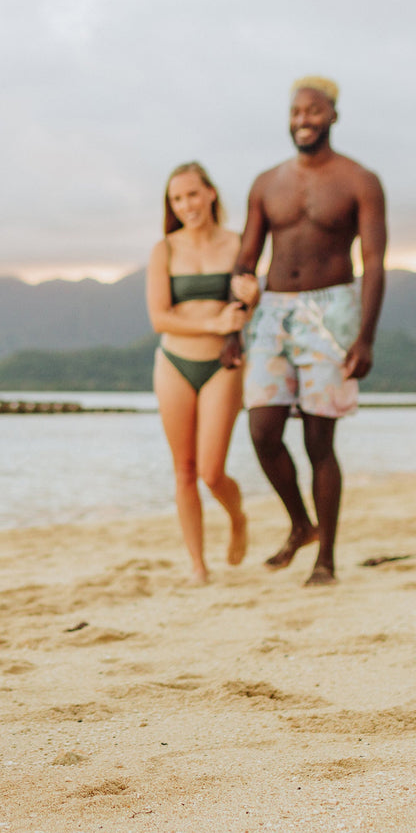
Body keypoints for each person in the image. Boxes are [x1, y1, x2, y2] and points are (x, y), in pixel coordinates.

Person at [223, 75, 387, 587]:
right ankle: (300, 523)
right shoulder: (266, 183)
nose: (303, 120)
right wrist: (233, 325)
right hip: (272, 312)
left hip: (332, 310)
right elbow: (246, 259)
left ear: (333, 115)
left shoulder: (360, 180)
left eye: (313, 111)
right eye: (296, 112)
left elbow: (374, 263)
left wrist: (365, 337)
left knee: (319, 441)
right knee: (262, 430)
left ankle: (326, 560)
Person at [146, 162, 251, 584]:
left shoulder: (238, 243)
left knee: (211, 471)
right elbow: (159, 318)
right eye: (176, 198)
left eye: (192, 194)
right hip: (174, 363)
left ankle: (238, 517)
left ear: (210, 193)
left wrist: (252, 298)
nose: (186, 205)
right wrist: (213, 323)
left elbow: (246, 308)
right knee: (185, 471)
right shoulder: (165, 250)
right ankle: (198, 566)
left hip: (222, 366)